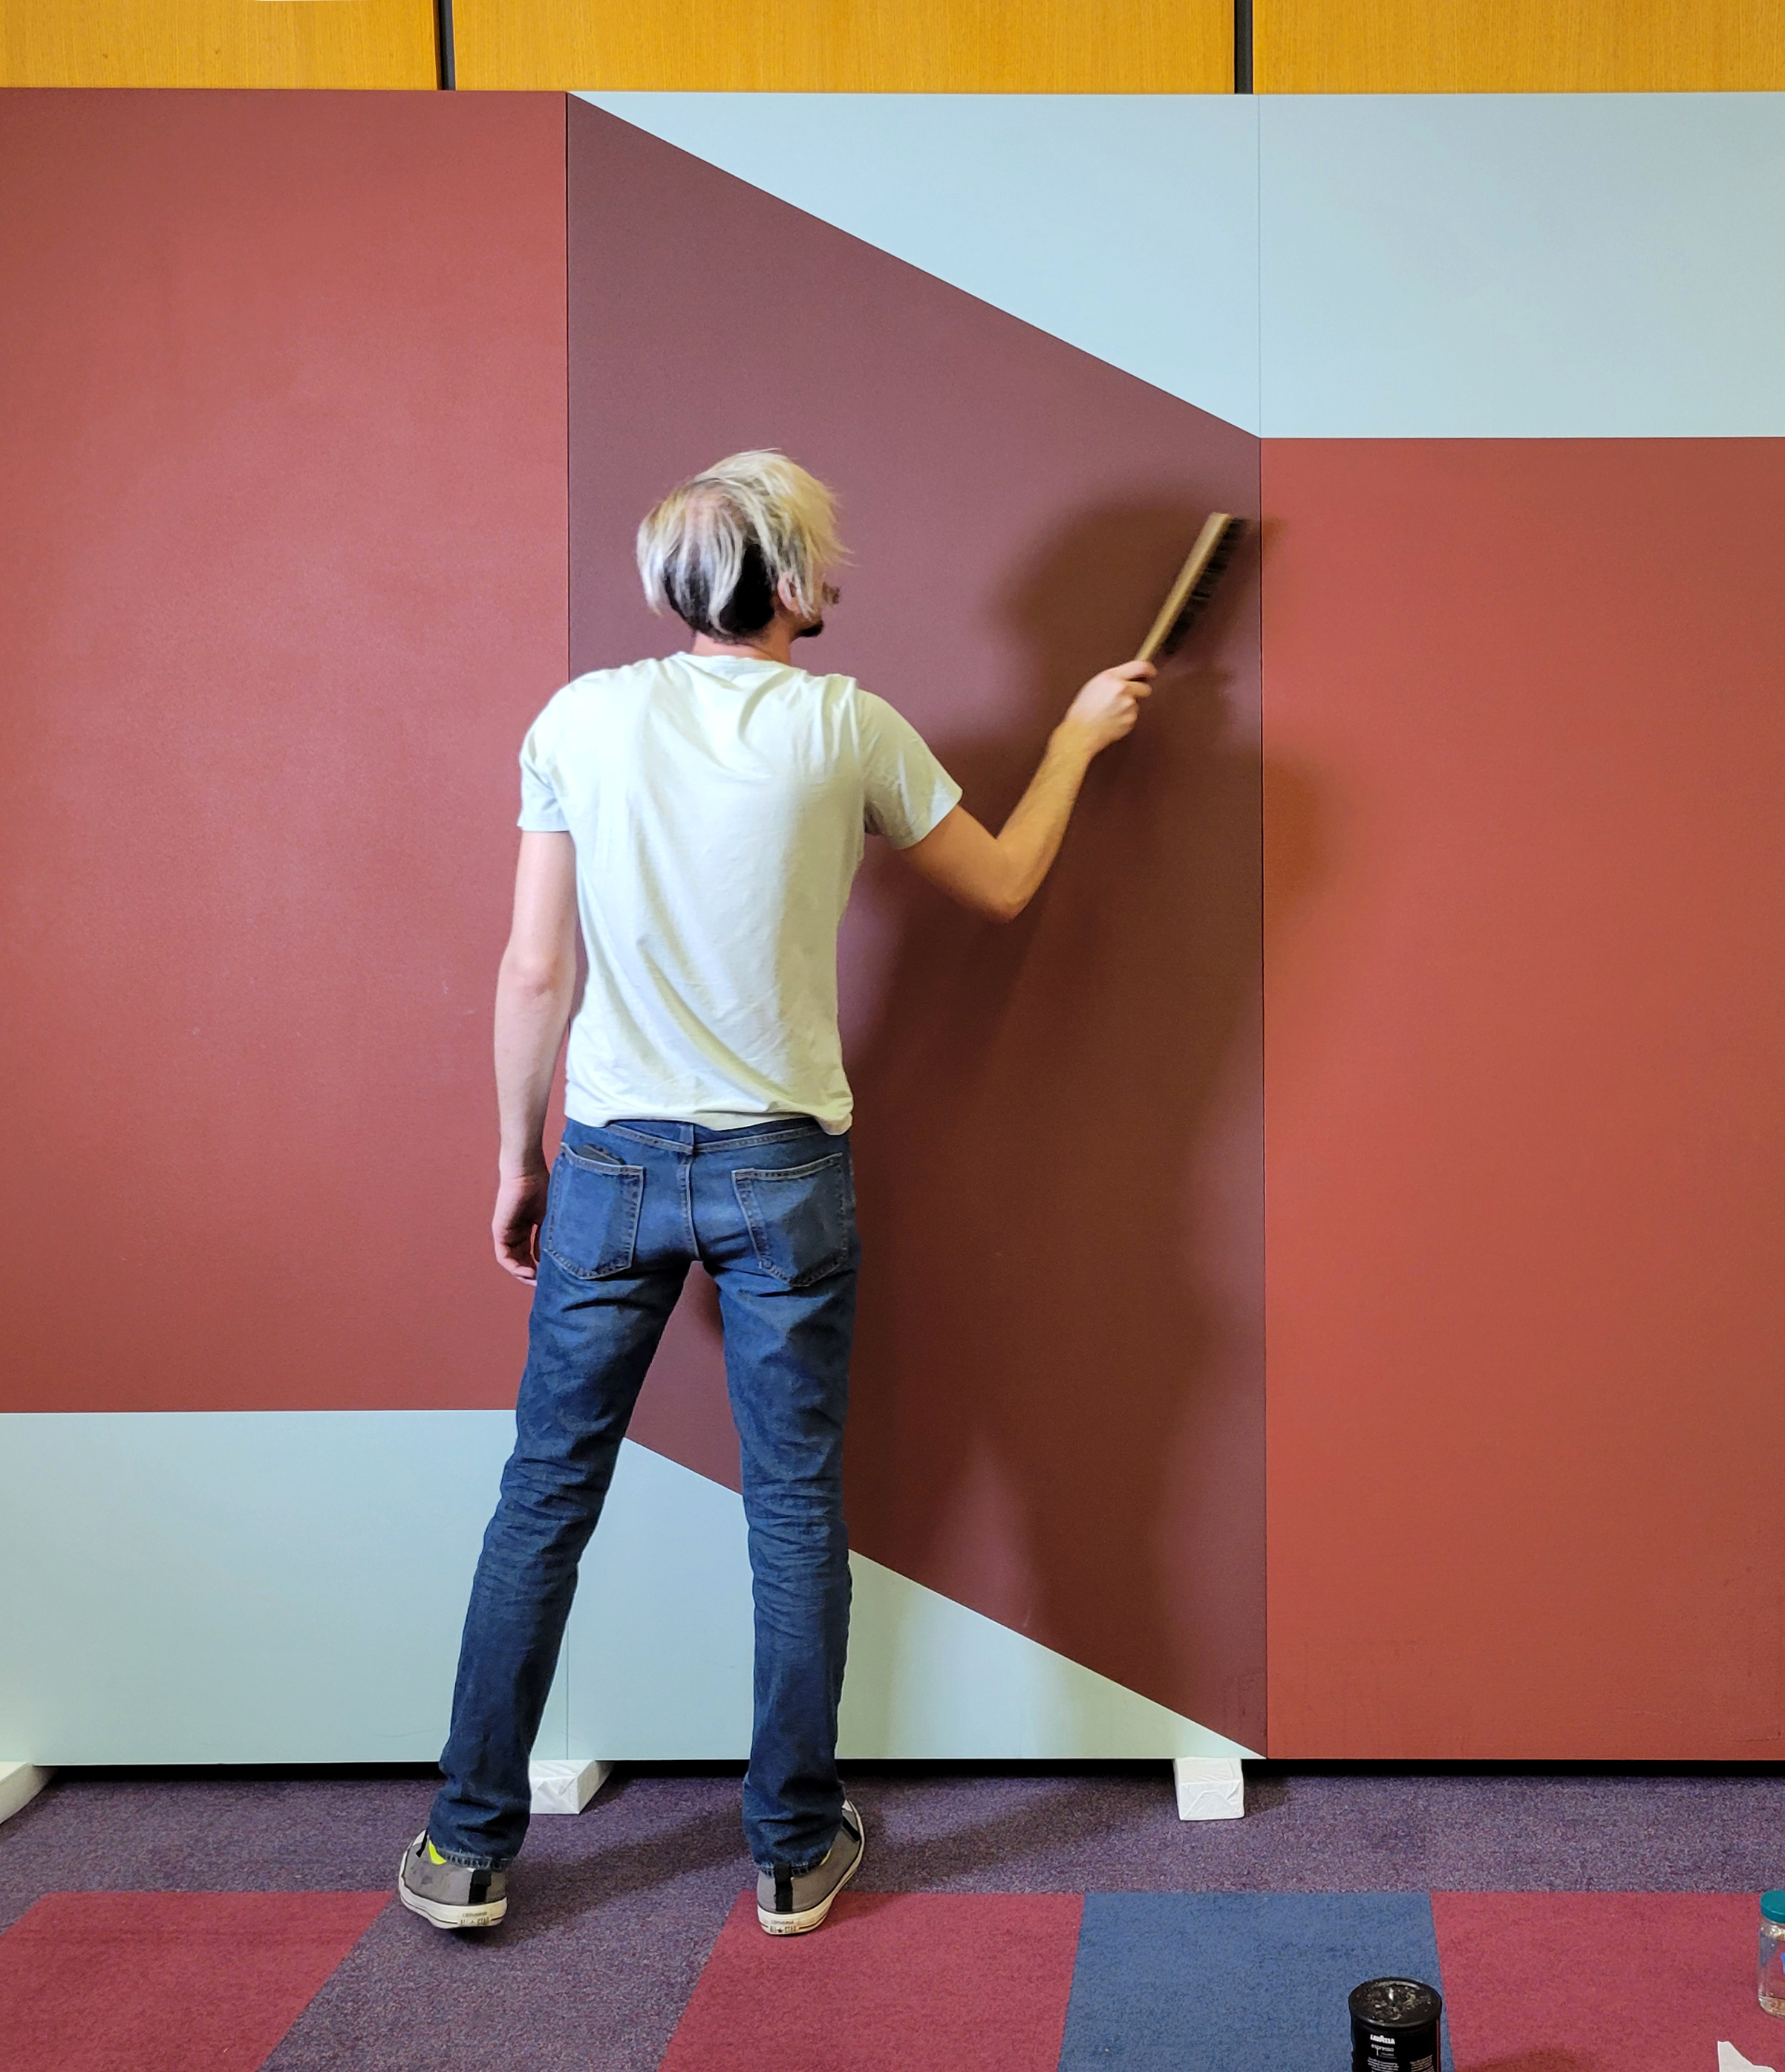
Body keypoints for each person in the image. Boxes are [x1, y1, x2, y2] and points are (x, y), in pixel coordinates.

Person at [395, 450, 1158, 1938]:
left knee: (543, 1498)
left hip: (609, 1162)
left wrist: (515, 1156)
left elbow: (534, 969)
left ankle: (467, 1849)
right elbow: (1003, 887)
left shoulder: (580, 717)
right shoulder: (843, 726)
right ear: (798, 578)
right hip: (778, 1169)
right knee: (796, 1508)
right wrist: (1072, 740)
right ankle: (795, 1853)